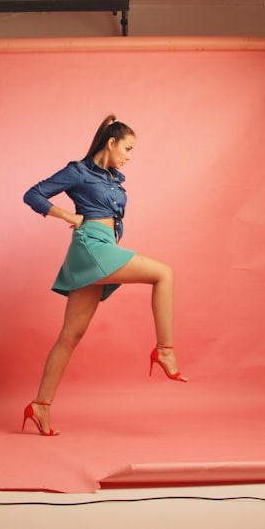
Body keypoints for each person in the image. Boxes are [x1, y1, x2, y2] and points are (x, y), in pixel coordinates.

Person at [21, 114, 186, 436]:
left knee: (71, 336)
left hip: (103, 247)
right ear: (110, 143)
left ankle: (40, 405)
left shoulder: (113, 179)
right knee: (163, 273)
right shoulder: (77, 172)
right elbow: (33, 194)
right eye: (127, 148)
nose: (130, 156)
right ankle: (164, 349)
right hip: (92, 247)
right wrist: (69, 215)